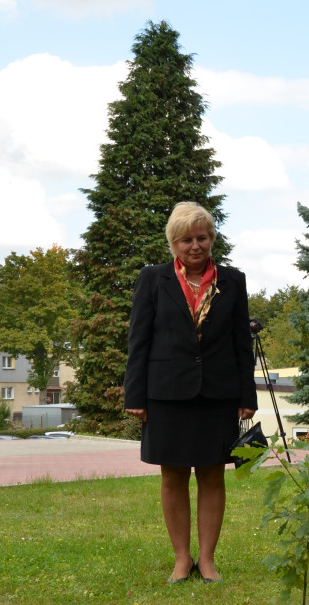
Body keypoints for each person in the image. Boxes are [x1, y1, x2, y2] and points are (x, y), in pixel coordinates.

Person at [124, 201, 257, 584]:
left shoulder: (233, 280)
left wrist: (247, 396)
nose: (195, 246)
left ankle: (208, 560)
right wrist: (135, 396)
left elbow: (240, 344)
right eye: (186, 240)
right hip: (166, 394)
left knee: (213, 475)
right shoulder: (153, 278)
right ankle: (182, 560)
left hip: (219, 393)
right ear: (173, 243)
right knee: (173, 477)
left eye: (202, 238)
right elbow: (139, 340)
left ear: (212, 239)